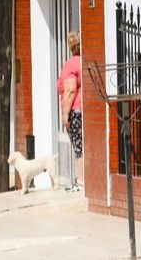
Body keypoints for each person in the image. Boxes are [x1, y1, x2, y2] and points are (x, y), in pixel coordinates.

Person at [58, 31, 84, 191]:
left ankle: (82, 180)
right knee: (84, 143)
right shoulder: (85, 61)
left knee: (78, 144)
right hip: (86, 109)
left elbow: (70, 90)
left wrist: (65, 114)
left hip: (76, 110)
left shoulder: (71, 64)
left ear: (70, 46)